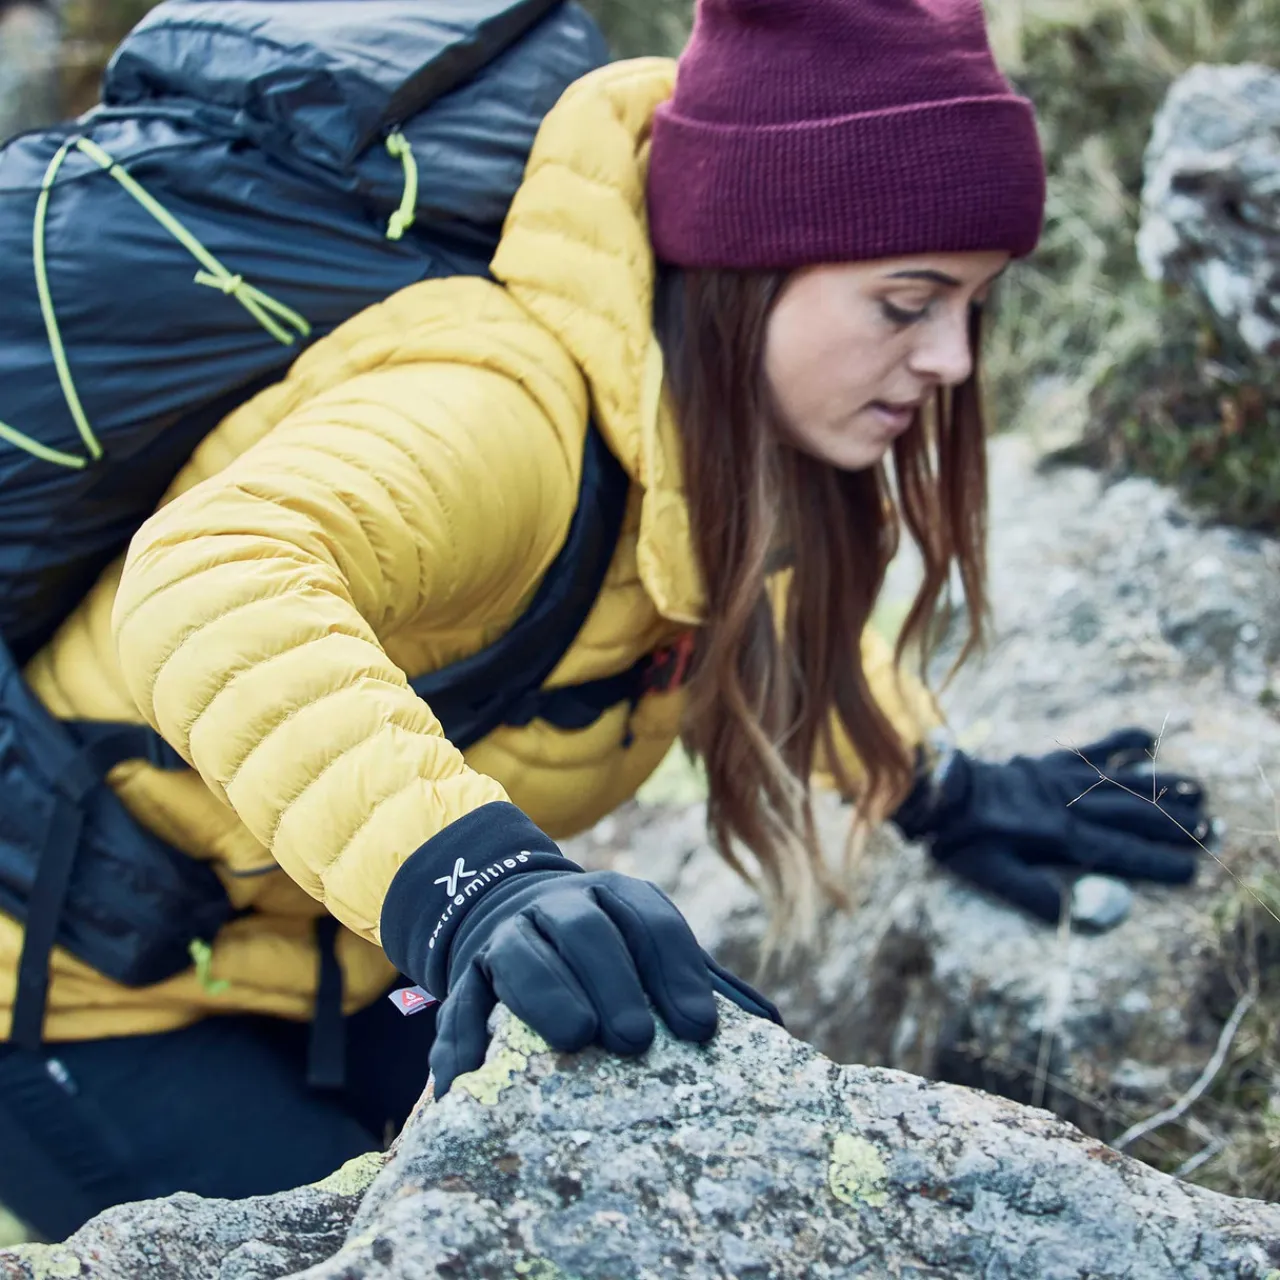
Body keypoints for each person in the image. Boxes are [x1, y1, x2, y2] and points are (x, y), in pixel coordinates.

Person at [0, 0, 1210, 1242]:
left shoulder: (691, 434)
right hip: (80, 992)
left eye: (973, 304)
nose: (951, 359)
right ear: (744, 273)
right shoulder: (503, 414)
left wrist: (934, 782)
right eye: (906, 302)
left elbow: (734, 605)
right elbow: (211, 577)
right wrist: (477, 882)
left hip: (322, 949)